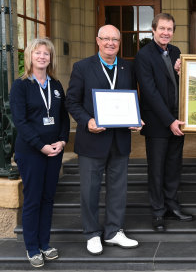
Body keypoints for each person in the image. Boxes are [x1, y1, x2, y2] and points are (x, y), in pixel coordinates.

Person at [66, 25, 140, 256]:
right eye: (106, 39)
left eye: (115, 39)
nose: (110, 43)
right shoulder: (82, 67)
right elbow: (71, 101)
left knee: (118, 188)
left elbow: (134, 98)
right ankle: (91, 233)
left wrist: (136, 118)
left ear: (120, 42)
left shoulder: (128, 68)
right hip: (92, 139)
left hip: (119, 139)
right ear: (97, 41)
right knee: (90, 189)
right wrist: (86, 120)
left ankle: (113, 231)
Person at [10, 38, 70, 267]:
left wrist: (62, 141)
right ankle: (32, 247)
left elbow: (63, 117)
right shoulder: (21, 85)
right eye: (38, 53)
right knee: (33, 200)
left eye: (46, 53)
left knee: (48, 198)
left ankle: (45, 244)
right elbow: (20, 122)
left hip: (55, 151)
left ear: (50, 58)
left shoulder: (56, 85)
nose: (42, 57)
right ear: (30, 57)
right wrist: (41, 145)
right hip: (32, 152)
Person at [134, 13, 193, 233]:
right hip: (159, 123)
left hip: (178, 120)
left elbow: (181, 84)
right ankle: (158, 212)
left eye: (169, 29)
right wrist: (169, 121)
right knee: (157, 169)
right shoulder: (144, 55)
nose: (166, 33)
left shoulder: (176, 52)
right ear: (153, 30)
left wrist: (181, 72)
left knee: (173, 167)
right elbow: (149, 93)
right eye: (162, 29)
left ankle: (172, 206)